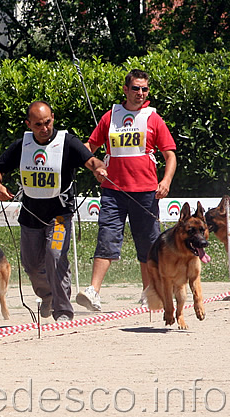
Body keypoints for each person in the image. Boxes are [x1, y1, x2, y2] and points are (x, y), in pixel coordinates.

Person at [0, 101, 107, 322]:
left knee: (55, 256)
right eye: (38, 125)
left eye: (48, 122)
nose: (44, 128)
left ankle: (63, 310)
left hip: (60, 214)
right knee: (31, 265)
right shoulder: (22, 145)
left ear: (53, 117)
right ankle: (48, 295)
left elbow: (90, 160)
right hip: (31, 215)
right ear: (29, 125)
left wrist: (99, 169)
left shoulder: (67, 142)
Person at [76, 69, 177, 312]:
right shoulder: (110, 117)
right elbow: (89, 146)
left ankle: (149, 292)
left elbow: (169, 154)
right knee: (107, 238)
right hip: (113, 191)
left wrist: (166, 181)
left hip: (146, 192)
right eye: (135, 88)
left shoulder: (154, 119)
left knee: (149, 244)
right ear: (125, 89)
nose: (140, 93)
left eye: (144, 89)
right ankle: (93, 292)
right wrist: (94, 166)